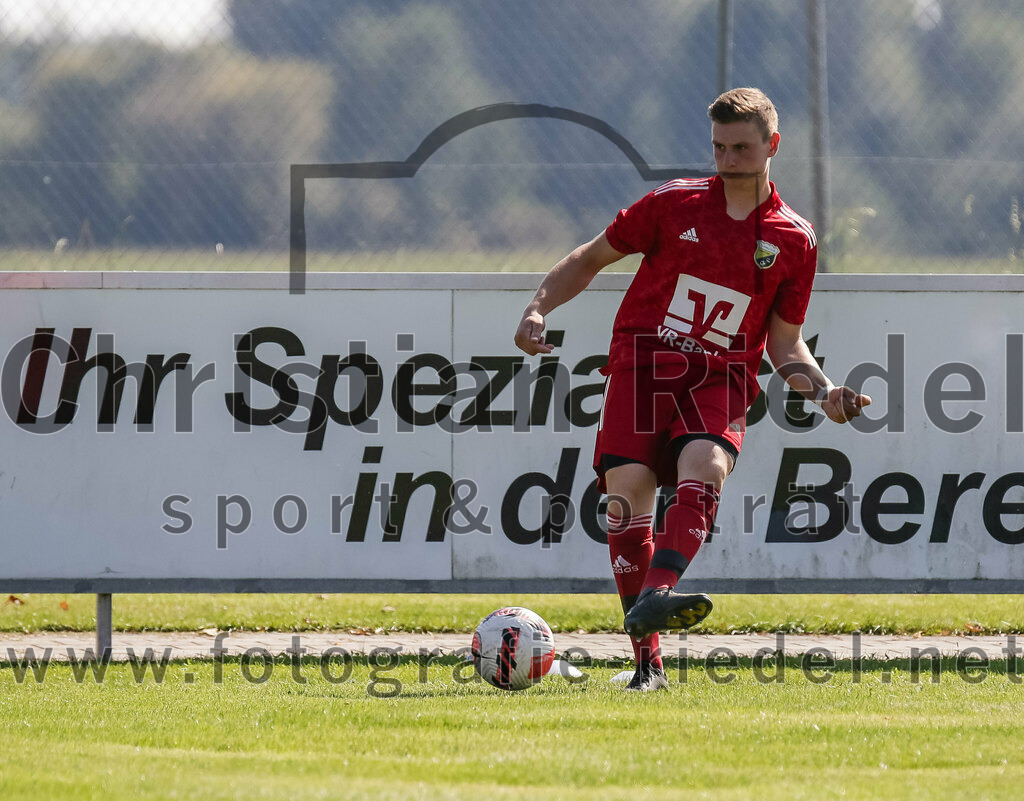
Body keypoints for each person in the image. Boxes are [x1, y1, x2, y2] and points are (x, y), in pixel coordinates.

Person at [513, 87, 871, 691]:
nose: (727, 159)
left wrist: (825, 392)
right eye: (719, 147)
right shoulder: (671, 205)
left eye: (741, 148)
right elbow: (591, 257)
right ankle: (648, 664)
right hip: (643, 365)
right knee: (626, 499)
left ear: (771, 146)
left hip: (721, 375)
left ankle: (659, 593)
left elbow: (784, 345)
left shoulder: (793, 238)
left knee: (705, 465)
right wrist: (538, 307)